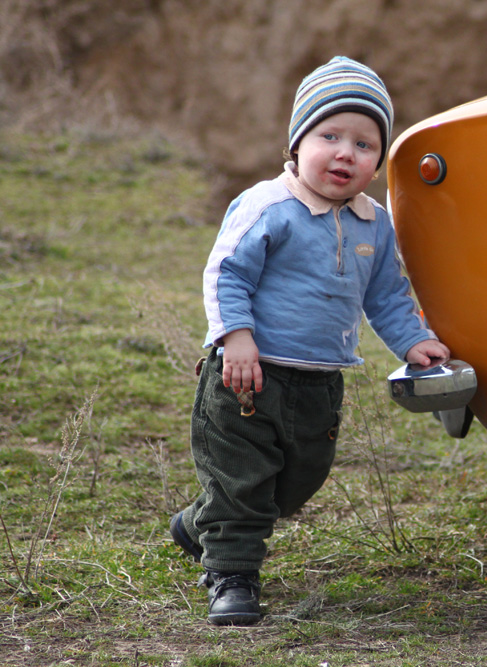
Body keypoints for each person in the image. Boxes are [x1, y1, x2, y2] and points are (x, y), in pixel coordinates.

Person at [168, 56, 449, 626]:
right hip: (247, 376)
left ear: (378, 161)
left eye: (365, 144)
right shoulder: (269, 207)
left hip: (319, 384)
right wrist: (236, 338)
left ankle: (199, 522)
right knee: (244, 481)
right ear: (297, 143)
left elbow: (388, 296)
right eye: (330, 136)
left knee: (297, 481)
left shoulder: (376, 223)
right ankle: (232, 577)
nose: (346, 153)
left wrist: (414, 342)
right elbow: (227, 274)